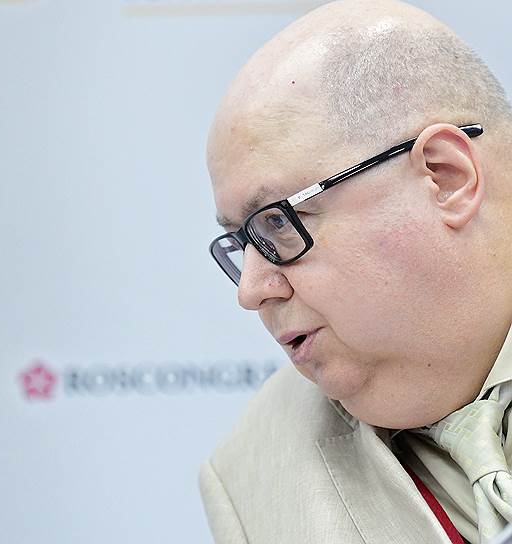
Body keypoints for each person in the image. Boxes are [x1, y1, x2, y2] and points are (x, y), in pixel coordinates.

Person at [200, 1, 512, 542]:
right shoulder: (251, 478)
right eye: (242, 242)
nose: (250, 291)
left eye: (278, 221)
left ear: (446, 177)